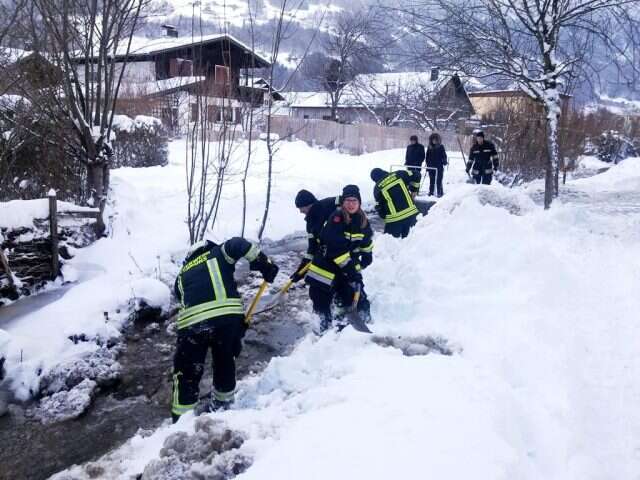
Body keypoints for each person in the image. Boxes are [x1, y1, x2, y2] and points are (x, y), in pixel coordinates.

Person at [171, 238, 279, 422]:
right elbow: (238, 244)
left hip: (193, 325)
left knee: (187, 373)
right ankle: (223, 407)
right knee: (225, 362)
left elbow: (181, 297)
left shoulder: (181, 275)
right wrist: (263, 263)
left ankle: (182, 421)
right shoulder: (218, 253)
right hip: (228, 319)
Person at [305, 185, 373, 332]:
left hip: (346, 264)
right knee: (320, 298)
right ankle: (323, 327)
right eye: (347, 200)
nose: (351, 204)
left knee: (357, 296)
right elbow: (335, 249)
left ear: (359, 202)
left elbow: (366, 240)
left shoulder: (363, 221)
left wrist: (367, 254)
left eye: (354, 200)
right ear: (343, 202)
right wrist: (351, 271)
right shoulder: (336, 218)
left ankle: (360, 322)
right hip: (325, 264)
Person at [291, 189, 341, 282]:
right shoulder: (310, 223)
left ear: (309, 204)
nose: (301, 211)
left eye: (301, 208)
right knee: (317, 285)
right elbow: (312, 248)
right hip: (329, 257)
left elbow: (347, 198)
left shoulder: (327, 204)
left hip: (344, 253)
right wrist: (301, 271)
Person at [370, 168, 419, 238]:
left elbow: (380, 210)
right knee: (412, 243)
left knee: (389, 244)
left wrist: (385, 216)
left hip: (394, 222)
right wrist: (414, 190)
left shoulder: (377, 188)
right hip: (411, 216)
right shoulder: (399, 174)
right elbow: (417, 174)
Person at [425, 132, 448, 197]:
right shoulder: (429, 147)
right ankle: (431, 192)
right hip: (431, 166)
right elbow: (427, 157)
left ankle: (440, 192)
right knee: (431, 180)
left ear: (438, 140)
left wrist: (444, 161)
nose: (434, 141)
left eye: (435, 139)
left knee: (439, 180)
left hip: (439, 167)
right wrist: (427, 165)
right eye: (433, 140)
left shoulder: (441, 147)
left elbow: (444, 155)